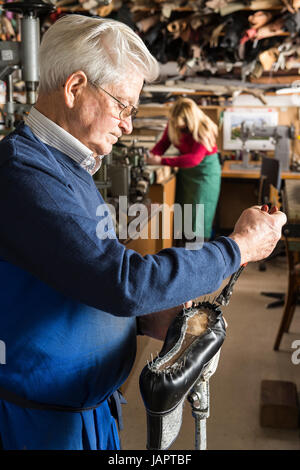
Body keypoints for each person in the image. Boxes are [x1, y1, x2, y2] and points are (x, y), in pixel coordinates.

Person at [0, 14, 286, 451]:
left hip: (86, 411)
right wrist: (238, 248)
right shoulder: (24, 173)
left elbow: (74, 277)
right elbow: (122, 280)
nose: (128, 123)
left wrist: (140, 320)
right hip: (40, 428)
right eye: (123, 106)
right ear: (75, 88)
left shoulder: (67, 165)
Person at [147, 98, 221, 241]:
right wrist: (152, 156)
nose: (178, 128)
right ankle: (183, 253)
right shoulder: (174, 122)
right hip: (186, 172)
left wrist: (161, 161)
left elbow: (194, 159)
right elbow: (164, 143)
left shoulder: (203, 128)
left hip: (204, 174)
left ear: (190, 119)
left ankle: (198, 254)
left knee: (198, 217)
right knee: (183, 214)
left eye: (182, 125)